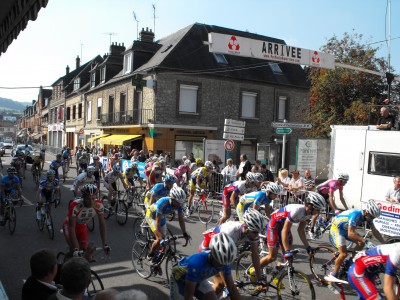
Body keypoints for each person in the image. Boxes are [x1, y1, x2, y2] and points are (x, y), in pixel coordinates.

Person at [248, 192, 326, 287]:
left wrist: (308, 247)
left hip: (283, 226)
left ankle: (276, 275)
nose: (318, 212)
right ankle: (254, 270)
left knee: (289, 258)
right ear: (310, 206)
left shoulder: (309, 214)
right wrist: (287, 250)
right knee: (273, 256)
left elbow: (300, 230)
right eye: (317, 209)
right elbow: (285, 230)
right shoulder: (298, 210)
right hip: (274, 225)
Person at [200, 209, 266, 290]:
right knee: (220, 285)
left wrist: (259, 279)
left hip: (221, 252)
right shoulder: (230, 232)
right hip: (209, 249)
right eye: (255, 232)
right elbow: (221, 260)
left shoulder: (251, 232)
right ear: (246, 227)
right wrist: (229, 286)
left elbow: (255, 255)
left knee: (227, 287)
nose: (257, 235)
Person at [325, 199, 386, 282]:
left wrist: (384, 243)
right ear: (366, 212)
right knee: (343, 254)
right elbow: (351, 234)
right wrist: (366, 241)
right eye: (371, 216)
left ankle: (349, 262)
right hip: (337, 230)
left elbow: (374, 231)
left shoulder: (368, 216)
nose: (372, 218)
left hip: (346, 229)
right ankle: (333, 274)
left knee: (361, 243)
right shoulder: (356, 215)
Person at [170, 233, 240, 300]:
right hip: (179, 279)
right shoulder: (197, 263)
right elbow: (188, 296)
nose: (222, 266)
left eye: (224, 264)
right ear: (213, 255)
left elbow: (231, 287)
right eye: (219, 263)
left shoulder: (225, 262)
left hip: (197, 278)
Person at [62, 184, 110, 256]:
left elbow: (102, 225)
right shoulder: (76, 205)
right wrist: (76, 249)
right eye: (88, 199)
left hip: (82, 227)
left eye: (93, 198)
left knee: (85, 253)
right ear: (83, 197)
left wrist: (105, 244)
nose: (91, 202)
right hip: (69, 227)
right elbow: (72, 227)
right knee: (74, 251)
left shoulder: (98, 205)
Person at [145, 186, 190, 260]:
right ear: (172, 198)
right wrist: (160, 236)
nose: (179, 205)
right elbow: (157, 222)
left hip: (162, 216)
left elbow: (181, 219)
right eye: (178, 202)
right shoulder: (162, 203)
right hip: (151, 216)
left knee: (164, 240)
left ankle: (158, 256)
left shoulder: (179, 204)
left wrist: (184, 233)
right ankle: (150, 255)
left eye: (181, 203)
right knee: (159, 239)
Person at [311, 172, 350, 237]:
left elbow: (341, 198)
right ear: (341, 180)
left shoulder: (341, 186)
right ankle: (311, 229)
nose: (346, 182)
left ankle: (325, 221)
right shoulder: (333, 183)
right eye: (345, 181)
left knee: (332, 208)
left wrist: (346, 208)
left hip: (325, 194)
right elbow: (331, 197)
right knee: (317, 212)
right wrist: (335, 210)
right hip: (318, 192)